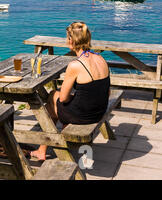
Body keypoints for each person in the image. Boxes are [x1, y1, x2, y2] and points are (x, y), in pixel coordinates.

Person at [27, 21, 110, 161]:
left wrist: (71, 97)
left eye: (67, 38)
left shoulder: (75, 65)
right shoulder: (101, 58)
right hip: (99, 111)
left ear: (71, 41)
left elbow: (64, 98)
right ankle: (47, 144)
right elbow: (106, 92)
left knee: (54, 97)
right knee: (56, 96)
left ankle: (43, 149)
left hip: (84, 116)